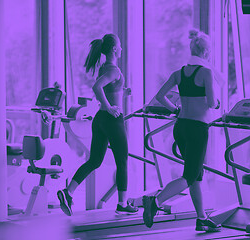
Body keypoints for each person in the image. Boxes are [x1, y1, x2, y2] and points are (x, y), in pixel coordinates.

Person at [142, 30, 221, 232]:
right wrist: (218, 102)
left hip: (181, 127)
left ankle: (202, 218)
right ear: (207, 52)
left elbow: (160, 96)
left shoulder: (179, 72)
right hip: (197, 129)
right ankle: (155, 202)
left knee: (196, 175)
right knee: (189, 176)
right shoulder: (206, 73)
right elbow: (212, 103)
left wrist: (175, 109)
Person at [57, 33, 138, 216]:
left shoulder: (105, 67)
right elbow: (97, 87)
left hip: (100, 119)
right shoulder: (114, 70)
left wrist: (122, 93)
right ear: (115, 49)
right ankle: (123, 204)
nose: (122, 49)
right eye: (120, 45)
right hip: (111, 120)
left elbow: (108, 89)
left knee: (94, 161)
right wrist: (109, 108)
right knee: (122, 161)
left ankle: (68, 192)